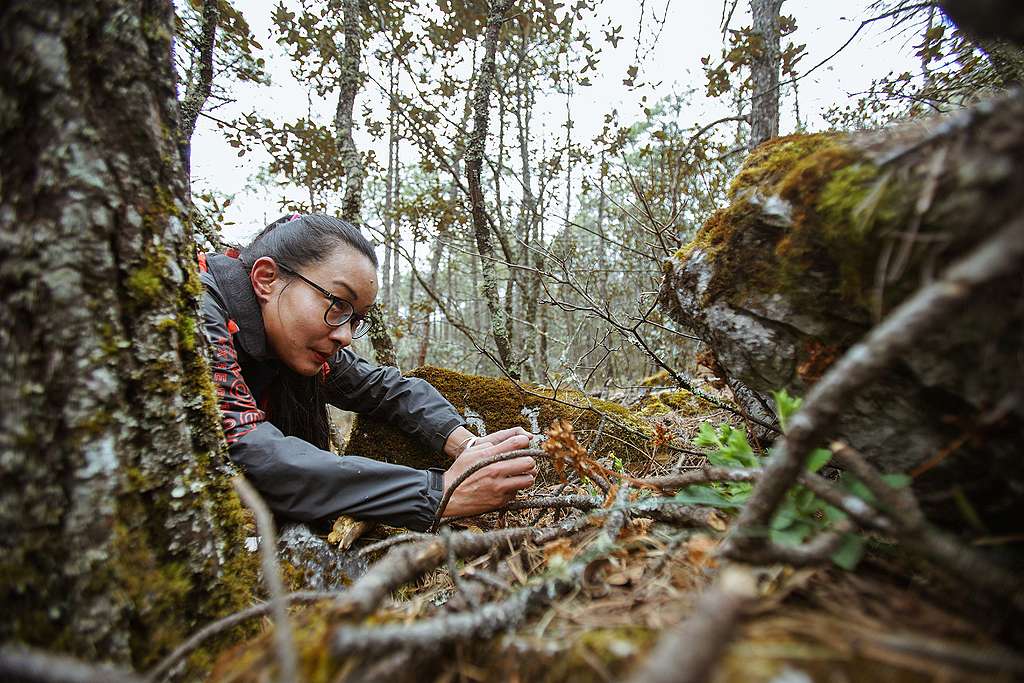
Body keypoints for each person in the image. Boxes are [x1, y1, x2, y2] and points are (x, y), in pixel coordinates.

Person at [198, 213, 537, 532]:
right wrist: (440, 492)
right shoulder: (197, 310)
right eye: (337, 304)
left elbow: (388, 389)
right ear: (266, 279)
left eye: (356, 319)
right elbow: (244, 448)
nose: (344, 335)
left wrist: (466, 444)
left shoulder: (298, 344)